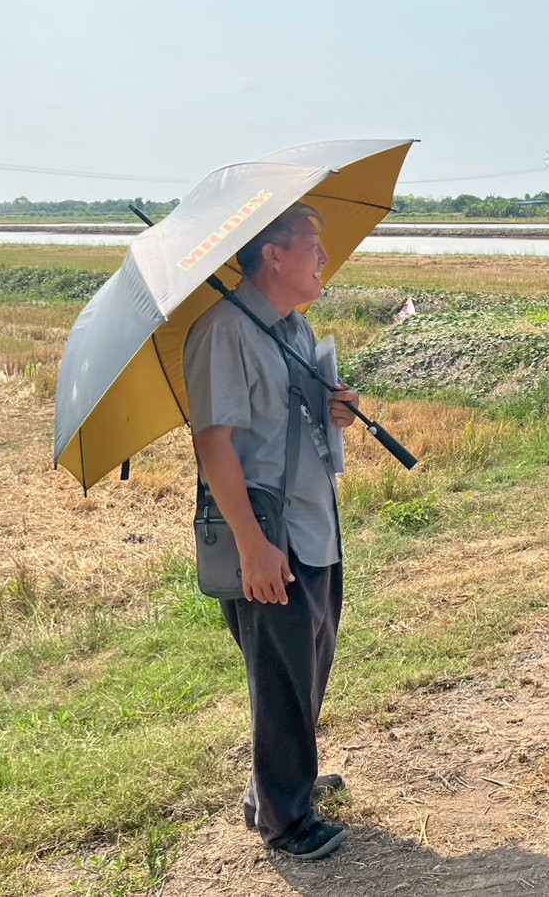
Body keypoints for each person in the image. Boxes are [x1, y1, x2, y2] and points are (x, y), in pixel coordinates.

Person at [184, 202, 362, 858]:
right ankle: (285, 822)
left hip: (313, 522)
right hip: (266, 531)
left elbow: (294, 420)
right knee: (280, 674)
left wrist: (335, 410)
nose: (324, 258)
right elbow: (213, 443)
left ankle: (282, 785)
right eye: (312, 246)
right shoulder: (223, 331)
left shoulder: (293, 329)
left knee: (309, 661)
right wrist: (253, 547)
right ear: (274, 255)